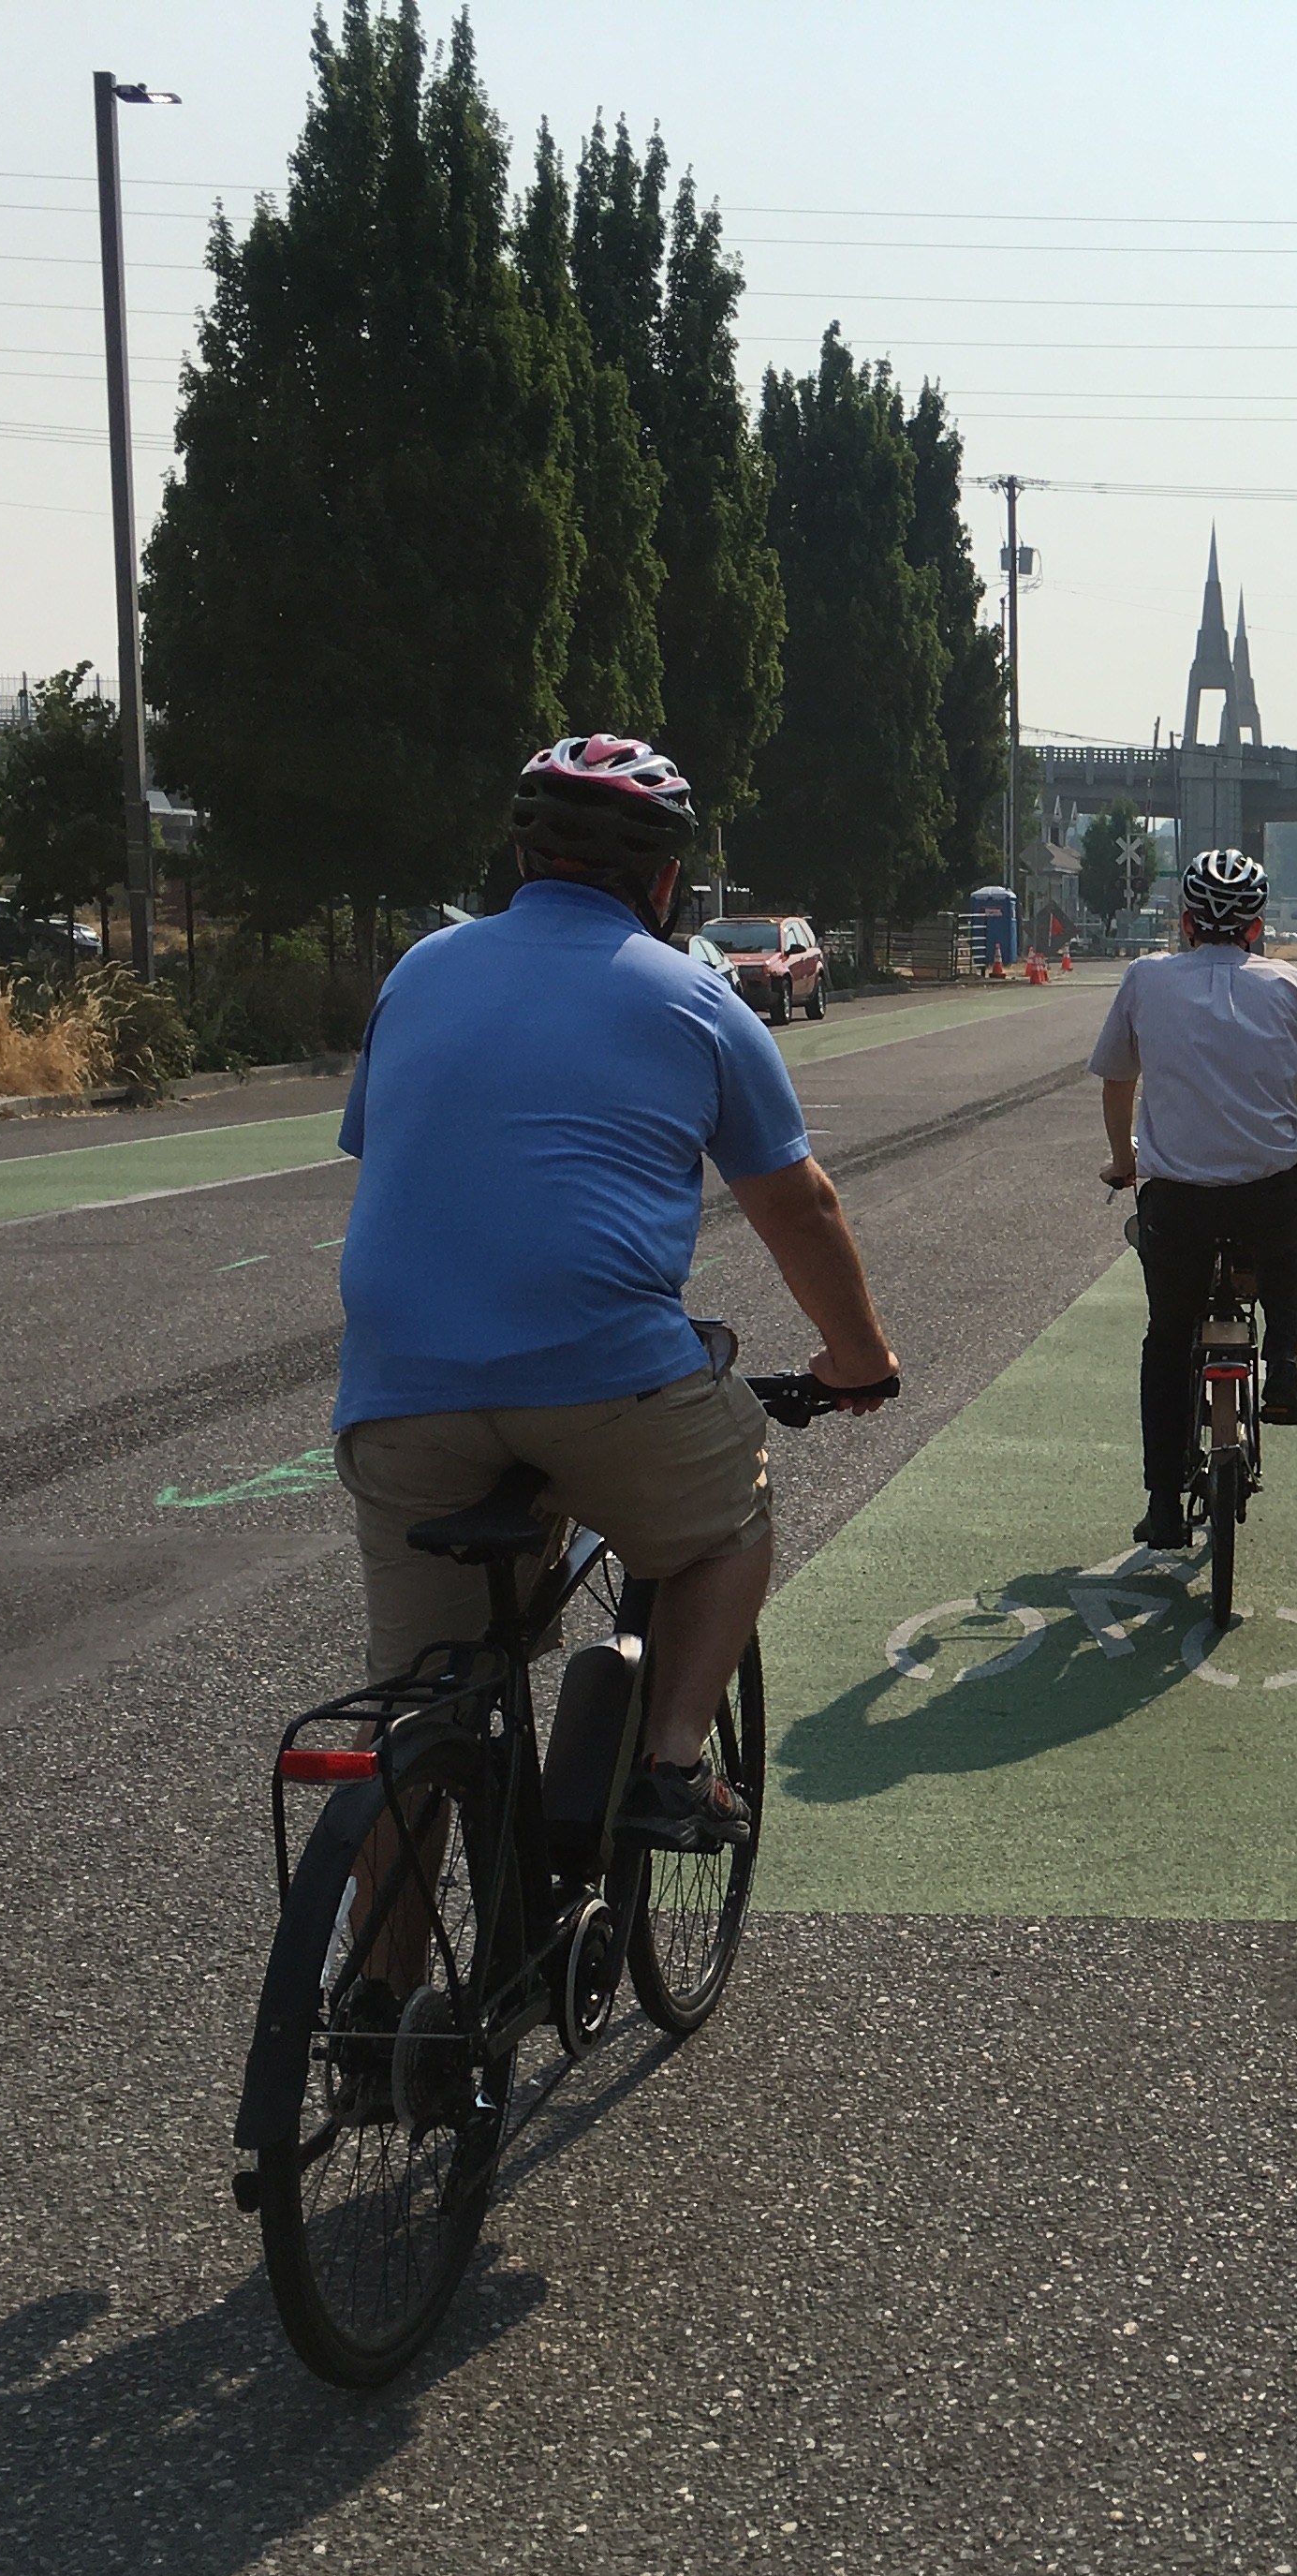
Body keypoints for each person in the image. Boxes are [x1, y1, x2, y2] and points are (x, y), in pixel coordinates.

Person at [331, 733, 901, 1853]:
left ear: (520, 858)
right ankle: (672, 1766)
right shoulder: (697, 998)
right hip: (603, 1377)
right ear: (664, 881)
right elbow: (799, 1208)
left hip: (400, 1389)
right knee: (731, 1519)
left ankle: (379, 2007)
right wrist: (857, 1362)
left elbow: (388, 1151)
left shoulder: (418, 972)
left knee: (414, 1716)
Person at [1090, 847, 1297, 1551]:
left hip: (1176, 1199)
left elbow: (1117, 1081)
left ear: (1183, 922)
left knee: (1167, 1340)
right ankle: (1285, 1370)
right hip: (1269, 1190)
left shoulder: (1145, 979)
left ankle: (1162, 1504)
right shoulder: (1291, 985)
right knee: (1283, 1246)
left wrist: (1125, 1163)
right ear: (1257, 927)